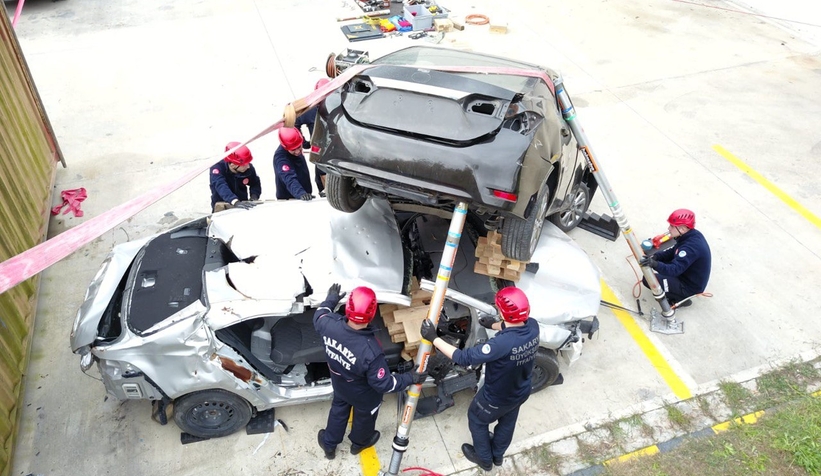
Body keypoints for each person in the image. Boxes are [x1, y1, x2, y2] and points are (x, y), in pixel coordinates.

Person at [420, 287, 540, 471]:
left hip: (496, 398)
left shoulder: (499, 344)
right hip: (521, 390)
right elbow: (513, 328)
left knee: (477, 420)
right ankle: (497, 456)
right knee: (507, 422)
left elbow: (463, 358)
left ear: (502, 313)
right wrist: (493, 325)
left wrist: (433, 338)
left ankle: (484, 460)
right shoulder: (533, 326)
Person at [314, 284, 426, 460]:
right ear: (372, 313)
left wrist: (331, 299)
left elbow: (320, 313)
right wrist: (410, 378)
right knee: (364, 418)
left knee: (338, 410)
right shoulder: (371, 351)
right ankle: (359, 444)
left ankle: (329, 445)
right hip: (365, 395)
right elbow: (384, 384)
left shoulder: (328, 324)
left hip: (340, 384)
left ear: (348, 307)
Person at [640, 208, 712, 307]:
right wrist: (655, 257)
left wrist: (654, 264)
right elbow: (673, 251)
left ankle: (682, 298)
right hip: (685, 273)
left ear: (682, 229)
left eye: (672, 226)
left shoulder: (689, 248)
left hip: (688, 286)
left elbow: (674, 270)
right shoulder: (690, 235)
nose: (669, 228)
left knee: (648, 279)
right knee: (662, 266)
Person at [295, 78, 330, 196]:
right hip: (319, 150)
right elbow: (295, 122)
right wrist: (302, 142)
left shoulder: (336, 107)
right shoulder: (311, 110)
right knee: (321, 174)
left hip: (330, 149)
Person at [209, 142, 261, 212]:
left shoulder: (248, 168)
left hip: (243, 204)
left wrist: (254, 196)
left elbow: (255, 183)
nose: (248, 166)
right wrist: (234, 201)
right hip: (223, 204)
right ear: (233, 165)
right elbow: (221, 186)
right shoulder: (217, 168)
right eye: (245, 164)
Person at [273, 127, 313, 201]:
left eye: (299, 147)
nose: (297, 151)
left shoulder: (297, 142)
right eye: (293, 149)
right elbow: (289, 178)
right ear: (285, 147)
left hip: (305, 194)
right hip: (289, 199)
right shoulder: (281, 158)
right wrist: (301, 193)